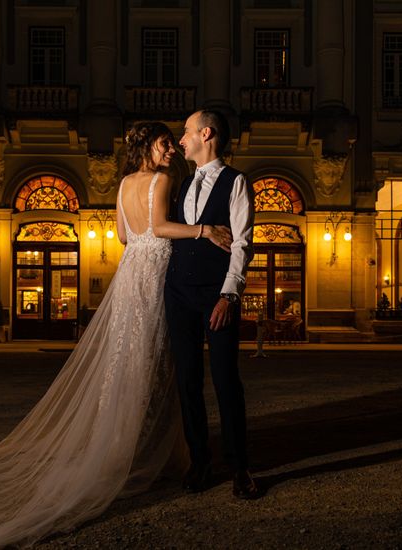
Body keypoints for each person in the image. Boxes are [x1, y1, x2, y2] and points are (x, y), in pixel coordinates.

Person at [0, 121, 232, 549]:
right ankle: (156, 455)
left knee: (126, 362)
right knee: (155, 364)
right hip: (153, 279)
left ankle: (125, 449)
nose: (171, 150)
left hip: (130, 277)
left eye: (172, 143)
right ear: (149, 147)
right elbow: (161, 228)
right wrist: (204, 230)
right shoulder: (164, 179)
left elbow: (125, 235)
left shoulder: (125, 182)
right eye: (165, 143)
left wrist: (148, 245)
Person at [165, 110, 259, 499]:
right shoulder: (183, 184)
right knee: (187, 379)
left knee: (225, 379)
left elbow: (242, 242)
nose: (181, 139)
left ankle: (240, 466)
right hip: (178, 293)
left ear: (206, 134)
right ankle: (199, 461)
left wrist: (228, 294)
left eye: (186, 132)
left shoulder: (236, 182)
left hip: (215, 293)